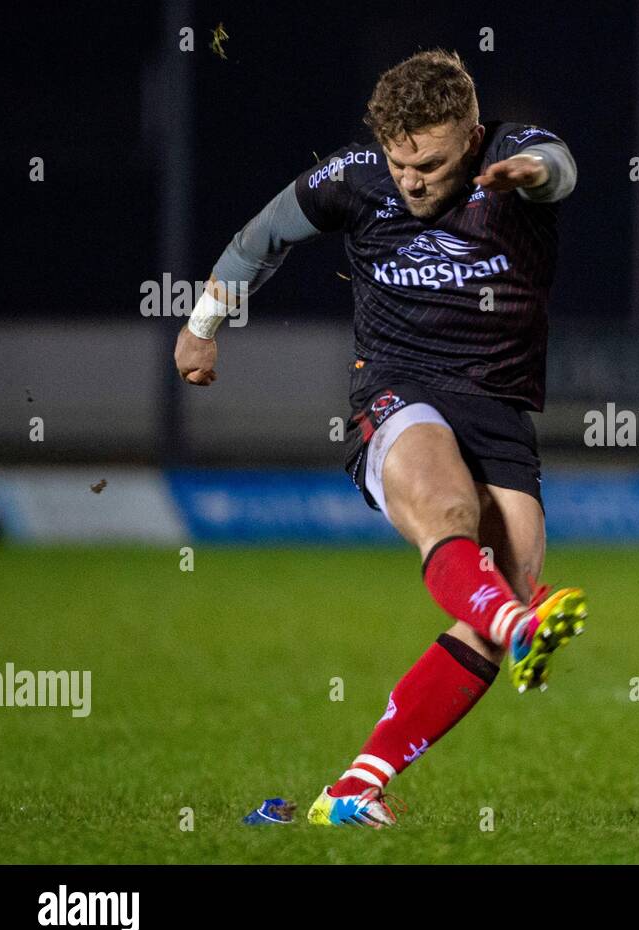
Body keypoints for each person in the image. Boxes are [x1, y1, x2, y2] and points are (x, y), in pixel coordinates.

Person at [173, 49, 586, 827]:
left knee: (510, 590)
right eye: (400, 164)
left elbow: (559, 167)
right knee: (445, 505)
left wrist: (528, 173)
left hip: (498, 407)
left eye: (429, 163)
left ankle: (355, 788)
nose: (413, 181)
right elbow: (258, 239)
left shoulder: (516, 156)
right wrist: (201, 327)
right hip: (398, 390)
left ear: (470, 138)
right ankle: (515, 622)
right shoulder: (354, 178)